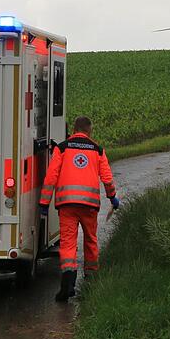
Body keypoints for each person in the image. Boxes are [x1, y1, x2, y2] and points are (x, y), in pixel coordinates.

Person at [39, 115, 119, 301]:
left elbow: (51, 177)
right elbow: (107, 179)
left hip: (67, 205)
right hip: (90, 206)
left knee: (68, 243)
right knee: (91, 240)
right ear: (89, 131)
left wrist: (44, 203)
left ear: (74, 130)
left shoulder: (62, 148)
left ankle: (68, 280)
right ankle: (91, 280)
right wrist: (113, 198)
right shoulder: (98, 150)